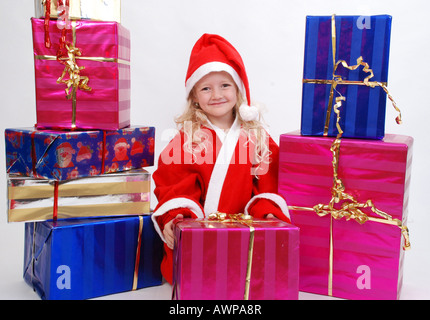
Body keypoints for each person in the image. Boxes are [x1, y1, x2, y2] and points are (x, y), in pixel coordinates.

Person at [151, 34, 290, 284]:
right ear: (194, 96)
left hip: (245, 238)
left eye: (225, 85)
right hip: (198, 239)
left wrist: (269, 214)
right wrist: (177, 218)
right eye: (206, 88)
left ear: (238, 89)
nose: (216, 94)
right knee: (197, 280)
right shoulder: (186, 141)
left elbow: (268, 186)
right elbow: (174, 186)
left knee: (252, 278)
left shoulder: (258, 139)